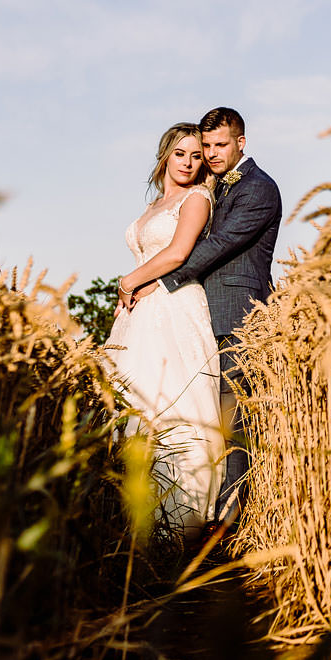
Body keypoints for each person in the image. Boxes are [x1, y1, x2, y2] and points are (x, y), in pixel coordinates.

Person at [141, 106, 281, 525]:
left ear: (242, 142)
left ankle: (229, 520)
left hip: (236, 315)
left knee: (230, 418)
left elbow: (220, 242)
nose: (213, 154)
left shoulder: (258, 188)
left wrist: (162, 283)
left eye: (221, 145)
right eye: (207, 147)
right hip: (198, 316)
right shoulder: (211, 187)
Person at [104, 122, 224, 530]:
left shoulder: (196, 199)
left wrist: (128, 281)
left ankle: (177, 518)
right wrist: (131, 296)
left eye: (196, 155)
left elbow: (177, 253)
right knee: (133, 401)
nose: (189, 162)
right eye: (181, 154)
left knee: (172, 401)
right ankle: (128, 513)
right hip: (138, 312)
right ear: (165, 155)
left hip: (172, 306)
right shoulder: (155, 203)